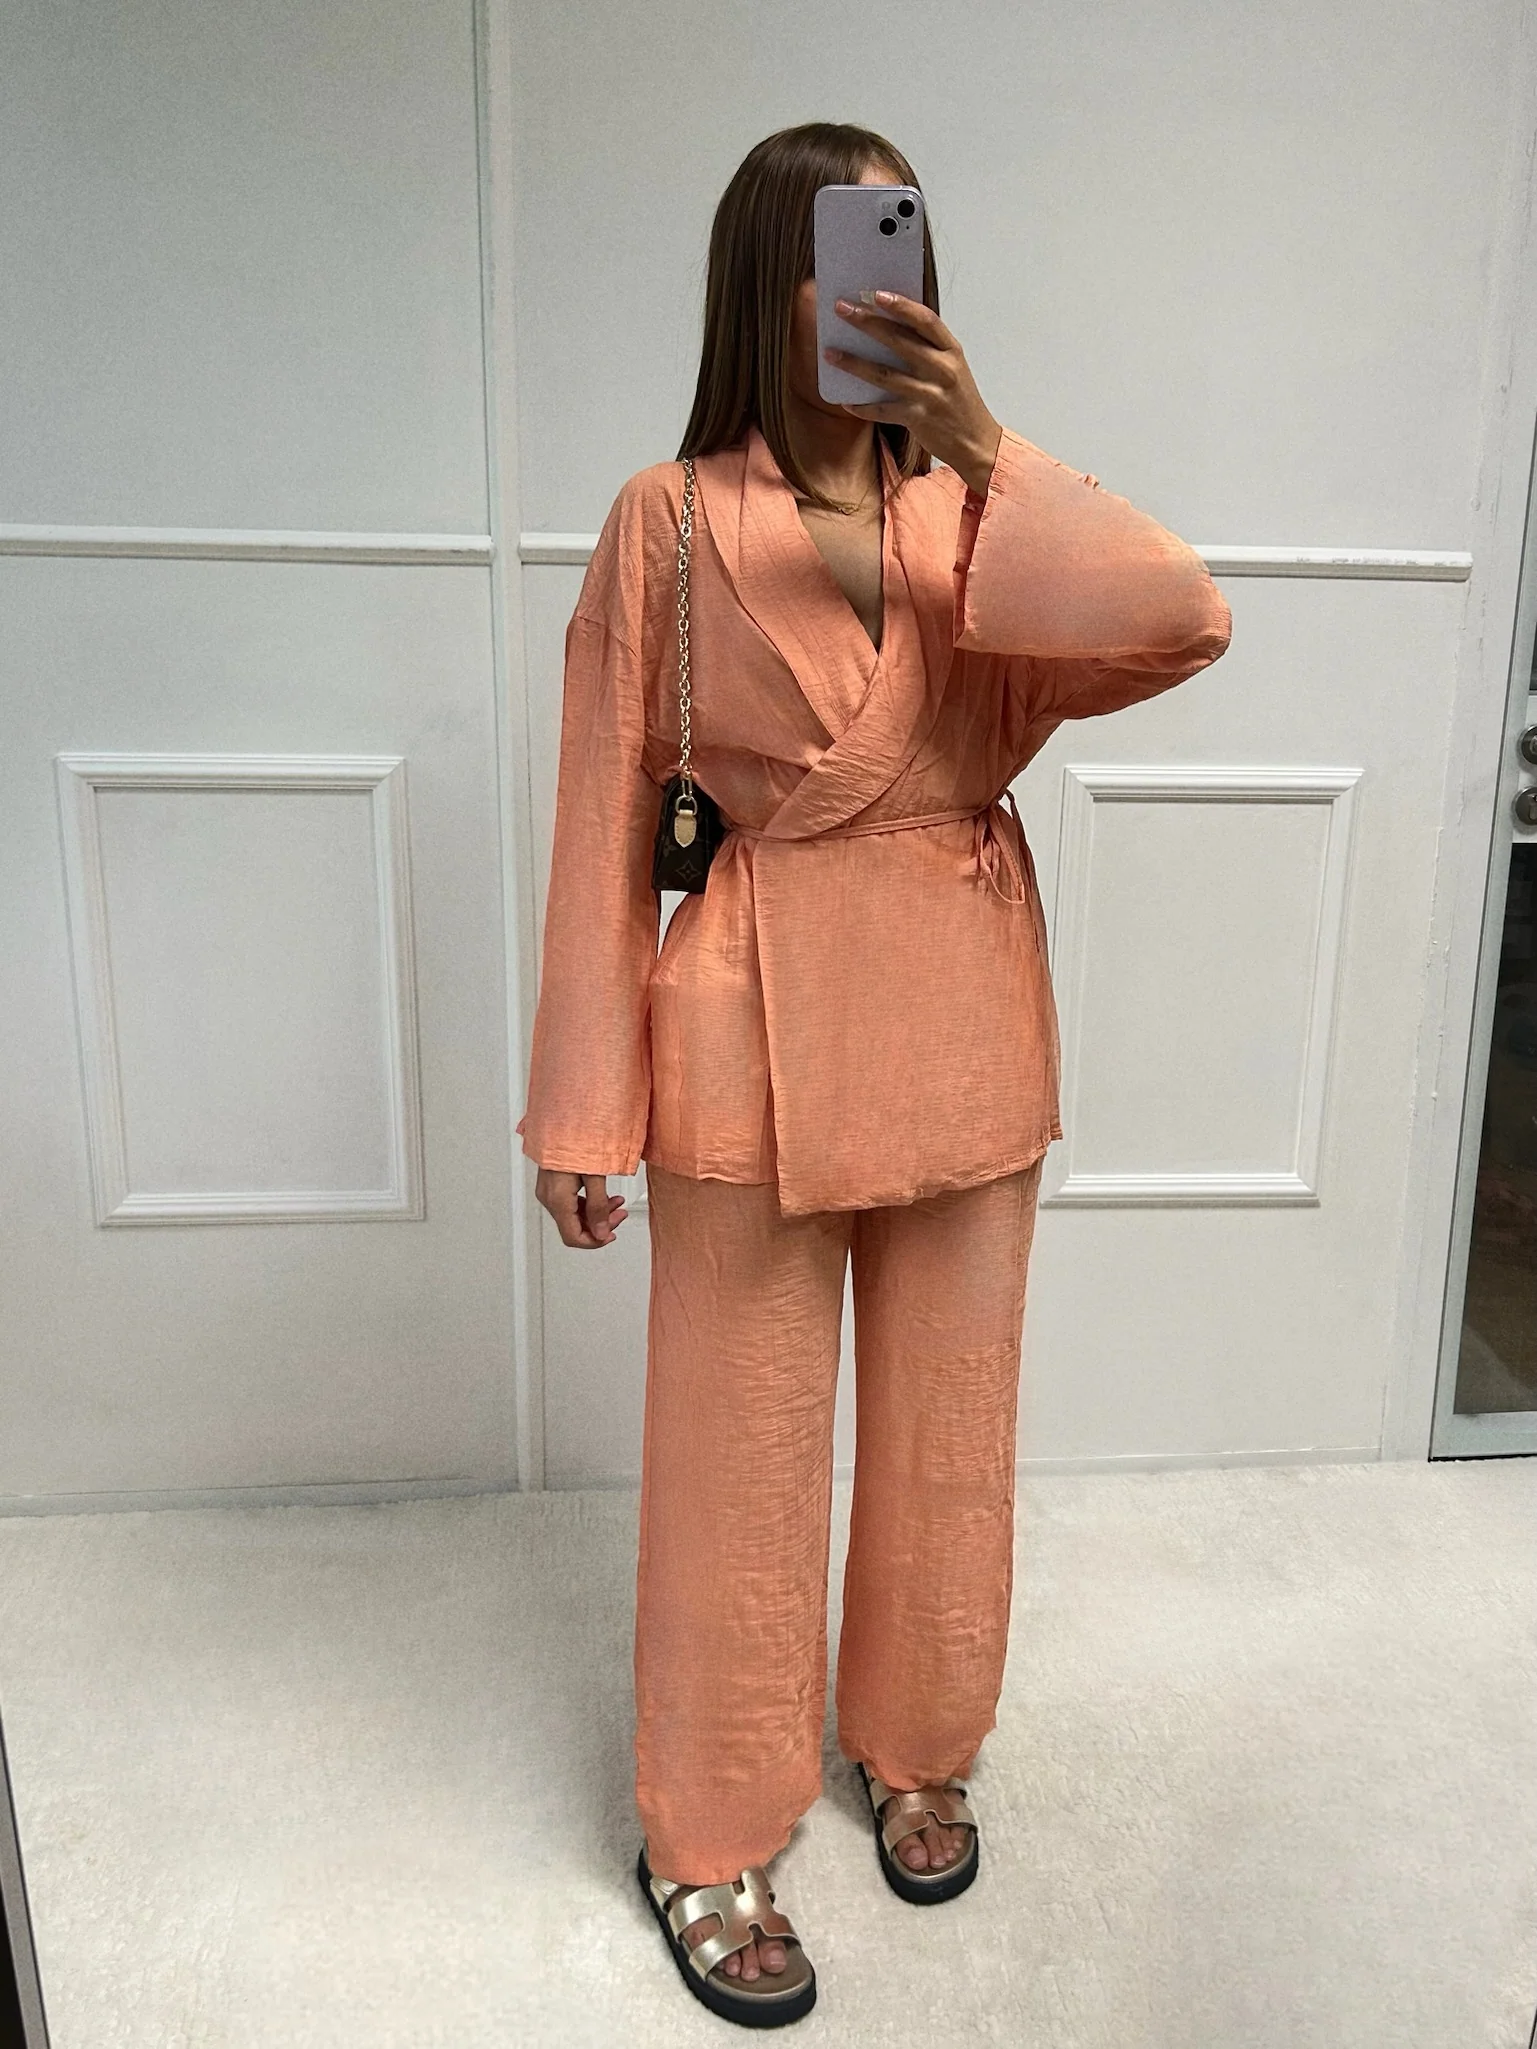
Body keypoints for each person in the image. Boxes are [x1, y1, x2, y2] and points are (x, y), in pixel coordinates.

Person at [516, 121, 1232, 2028]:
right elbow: (605, 816)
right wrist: (582, 1106)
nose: (873, 281)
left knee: (947, 1435)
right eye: (839, 245)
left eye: (898, 241)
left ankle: (919, 1741)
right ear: (770, 275)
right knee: (735, 1458)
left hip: (966, 1011)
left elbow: (1186, 616)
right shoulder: (669, 521)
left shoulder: (976, 520)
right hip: (748, 1016)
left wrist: (984, 445)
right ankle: (708, 1833)